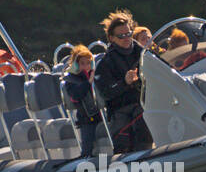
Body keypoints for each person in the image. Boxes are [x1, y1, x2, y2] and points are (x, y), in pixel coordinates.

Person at [93, 10, 153, 152]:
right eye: (121, 36)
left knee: (145, 116)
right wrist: (124, 82)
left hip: (145, 104)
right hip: (121, 110)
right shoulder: (105, 64)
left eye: (129, 34)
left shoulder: (145, 54)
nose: (126, 38)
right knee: (130, 130)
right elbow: (106, 92)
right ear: (112, 38)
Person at [64, 44, 101, 157]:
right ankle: (86, 158)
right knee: (87, 145)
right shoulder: (71, 79)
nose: (86, 66)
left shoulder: (97, 75)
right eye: (82, 63)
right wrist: (88, 83)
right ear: (76, 64)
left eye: (89, 63)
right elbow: (76, 95)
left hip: (100, 114)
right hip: (86, 118)